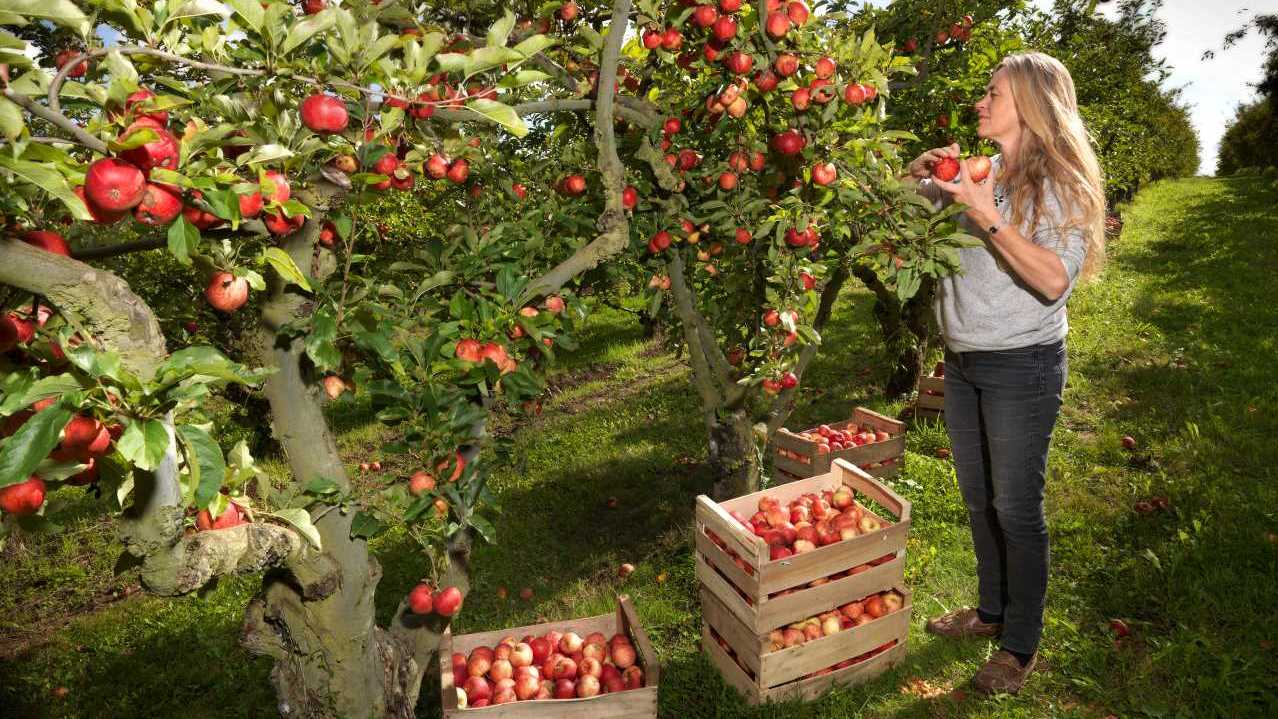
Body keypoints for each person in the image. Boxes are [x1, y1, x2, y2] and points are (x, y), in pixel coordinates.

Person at [903, 52, 1106, 696]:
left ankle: (1020, 645)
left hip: (1023, 363)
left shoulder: (1061, 185)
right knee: (977, 498)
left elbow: (1052, 281)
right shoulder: (970, 172)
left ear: (1031, 103)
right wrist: (916, 179)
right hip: (962, 361)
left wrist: (986, 211)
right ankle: (991, 612)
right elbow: (898, 219)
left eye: (994, 93)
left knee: (1016, 509)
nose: (981, 102)